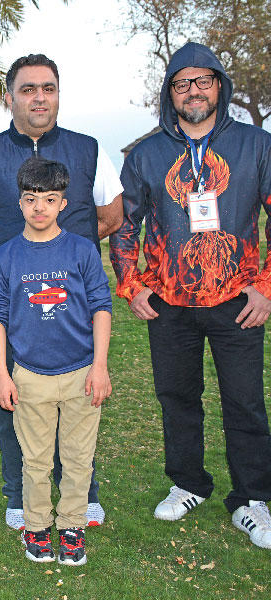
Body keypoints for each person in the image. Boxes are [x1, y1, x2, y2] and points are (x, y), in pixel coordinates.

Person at [110, 42, 271, 549]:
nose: (193, 91)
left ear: (219, 85)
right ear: (170, 93)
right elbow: (123, 226)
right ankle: (188, 484)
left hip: (238, 300)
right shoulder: (147, 154)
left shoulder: (256, 145)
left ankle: (252, 499)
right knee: (177, 398)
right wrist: (132, 284)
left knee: (244, 401)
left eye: (203, 80)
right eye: (182, 83)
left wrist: (266, 287)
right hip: (169, 303)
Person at [0, 53, 123, 531]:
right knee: (11, 401)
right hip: (11, 314)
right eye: (28, 89)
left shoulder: (88, 150)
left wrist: (62, 260)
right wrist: (18, 263)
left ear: (58, 94)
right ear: (10, 97)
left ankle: (83, 495)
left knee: (80, 404)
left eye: (48, 88)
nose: (39, 98)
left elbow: (111, 216)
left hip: (73, 314)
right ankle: (19, 496)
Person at [0, 157, 112, 565]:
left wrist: (100, 366)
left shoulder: (82, 250)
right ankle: (37, 526)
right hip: (29, 375)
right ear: (20, 203)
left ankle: (72, 525)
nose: (39, 208)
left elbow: (101, 307)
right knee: (35, 460)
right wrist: (2, 374)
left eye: (49, 199)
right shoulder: (5, 256)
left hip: (80, 372)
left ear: (63, 203)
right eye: (30, 199)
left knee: (78, 459)